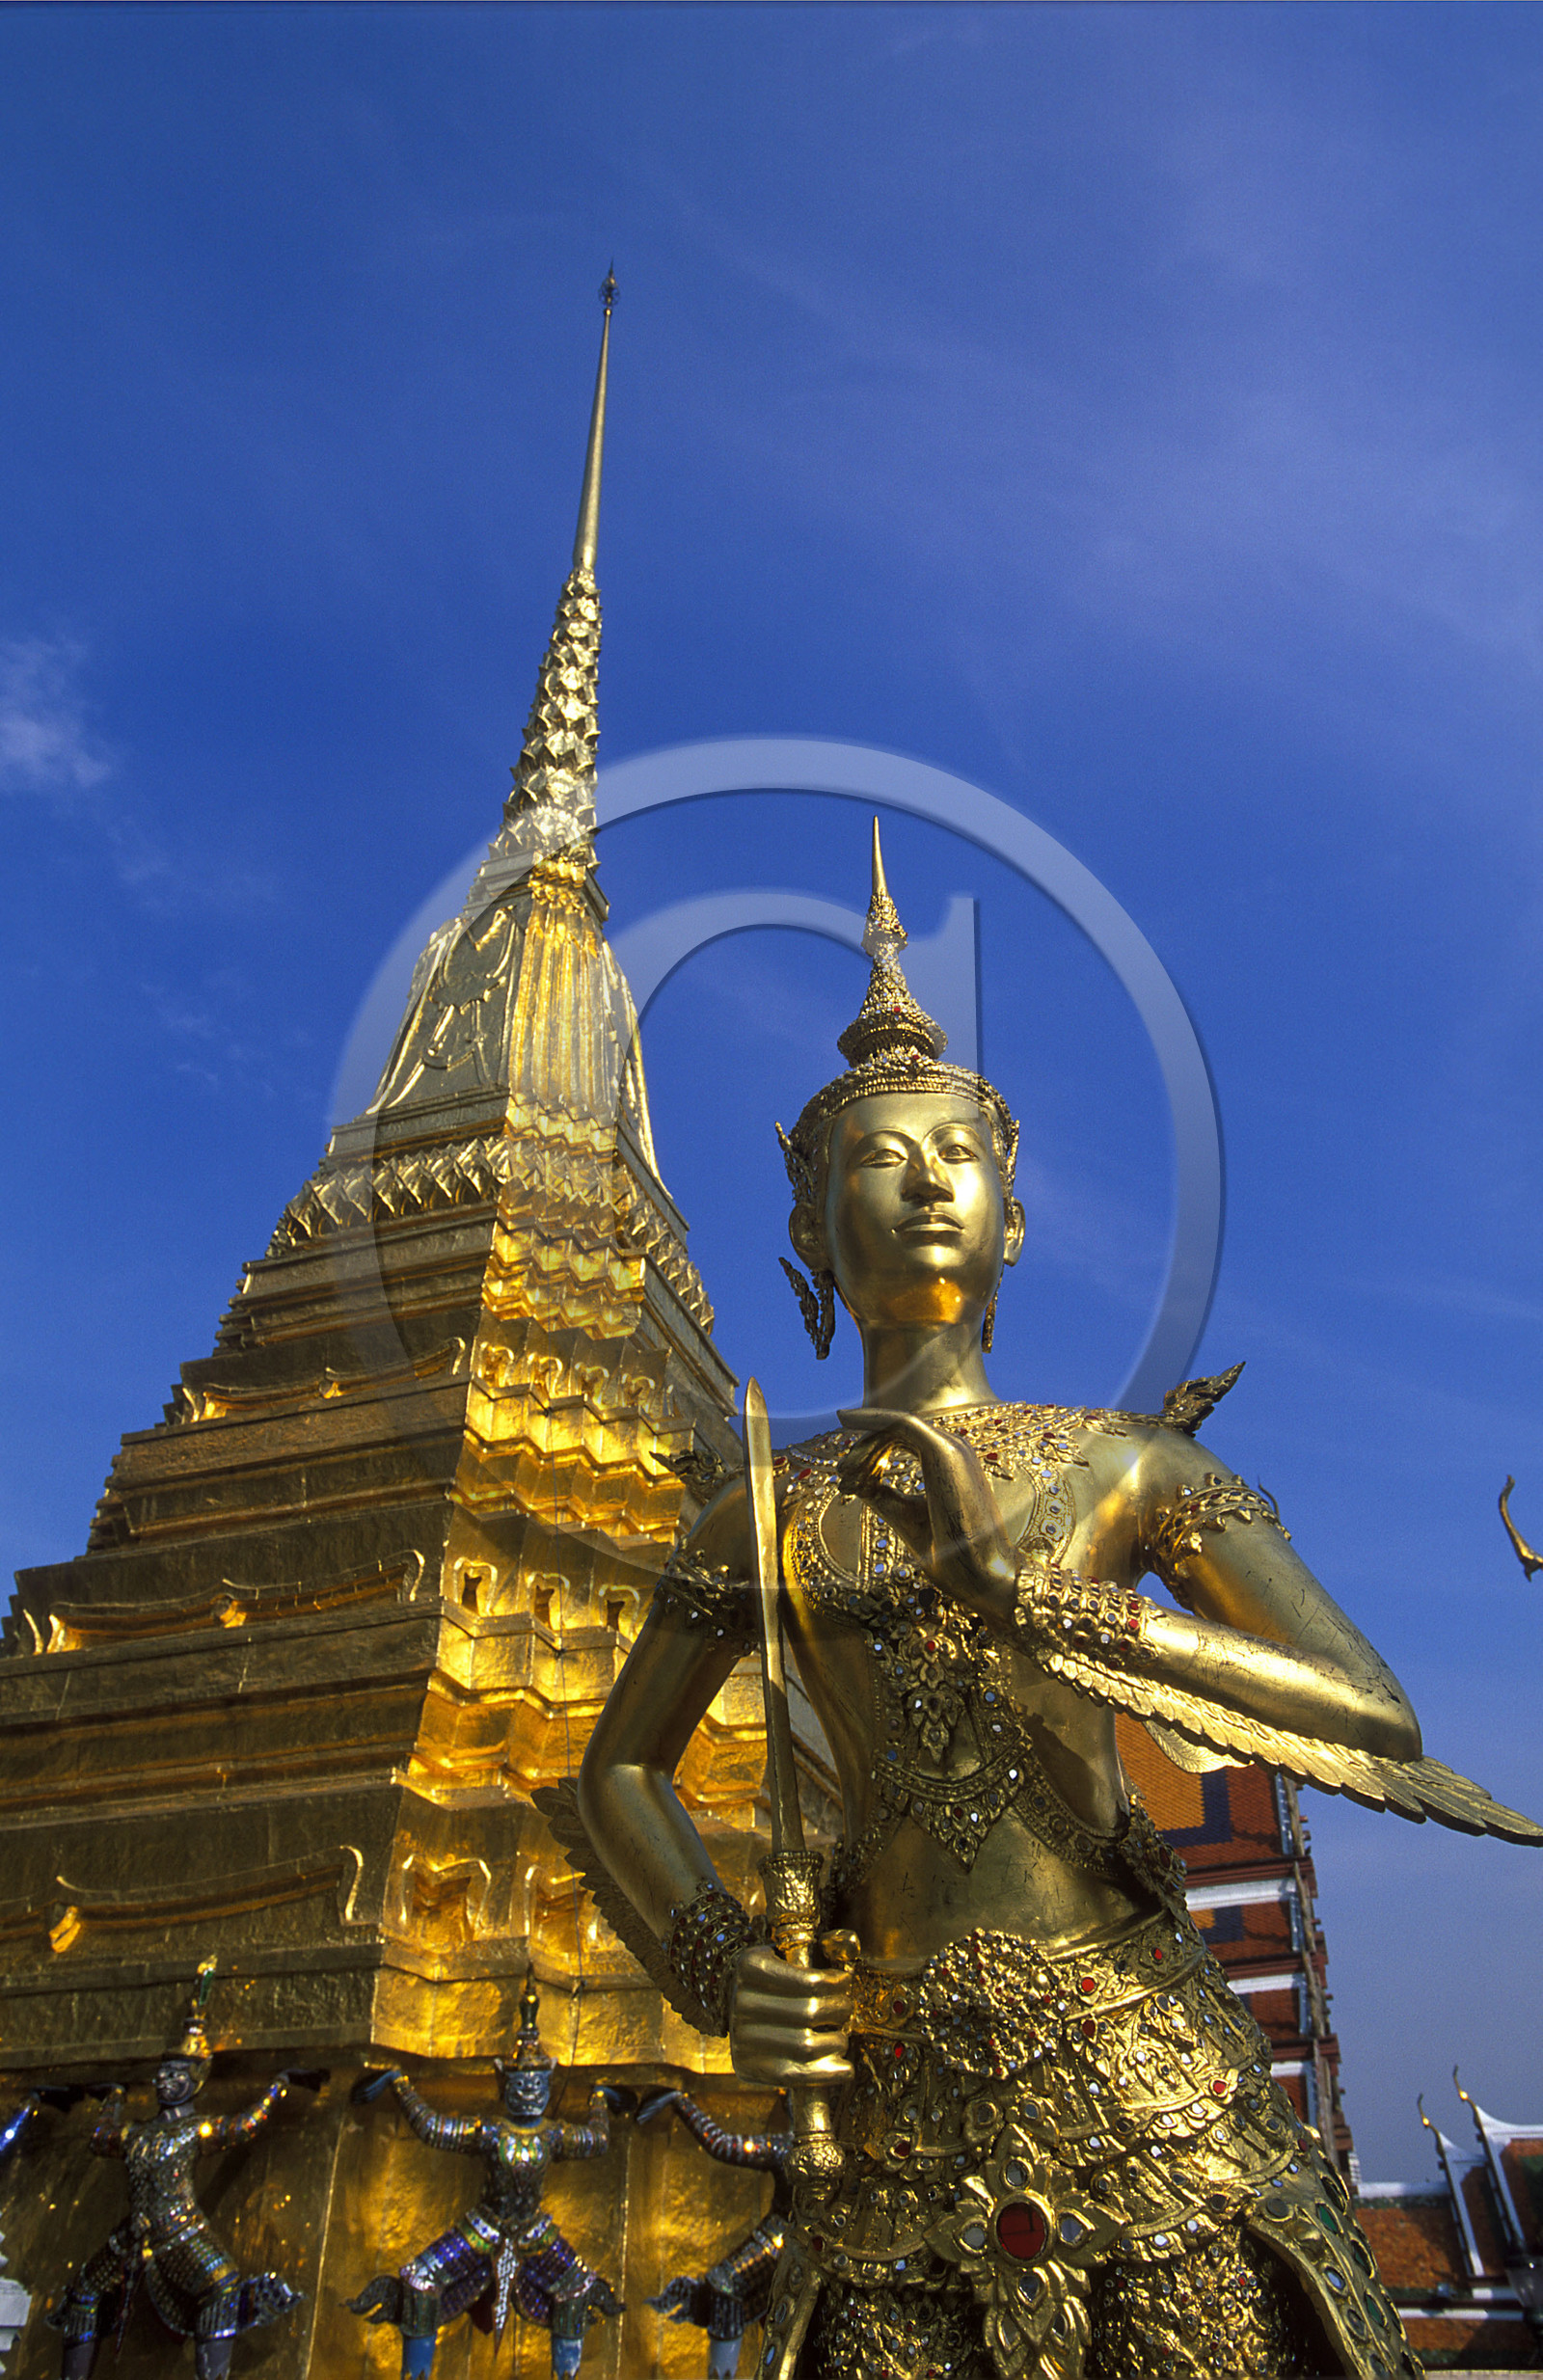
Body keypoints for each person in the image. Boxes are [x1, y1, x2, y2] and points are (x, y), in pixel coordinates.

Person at [572, 823, 1543, 2380]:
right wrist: (713, 1970)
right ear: (810, 1232)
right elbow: (613, 1766)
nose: (926, 1184)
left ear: (1015, 1216)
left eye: (959, 1157)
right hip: (882, 2082)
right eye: (873, 1164)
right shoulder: (763, 1499)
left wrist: (1077, 1614)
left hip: (1136, 2054)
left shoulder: (1118, 1462)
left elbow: (1372, 1707)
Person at [347, 1972, 625, 2378]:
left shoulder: (553, 2135)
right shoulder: (489, 2132)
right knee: (420, 2281)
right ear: (502, 2083)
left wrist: (599, 2098)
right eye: (520, 2086)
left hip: (534, 2231)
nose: (529, 2093)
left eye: (537, 2086)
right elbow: (433, 2129)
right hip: (483, 2227)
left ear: (548, 2085)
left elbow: (598, 2140)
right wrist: (400, 2084)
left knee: (578, 2289)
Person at [46, 1961, 311, 2380]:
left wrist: (277, 2087)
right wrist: (113, 2096)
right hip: (133, 2234)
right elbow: (100, 2136)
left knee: (223, 2288)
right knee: (83, 2293)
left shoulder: (194, 2130)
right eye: (162, 2073)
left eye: (175, 2074)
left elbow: (244, 2125)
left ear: (196, 2081)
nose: (164, 2080)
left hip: (181, 2232)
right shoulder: (137, 2134)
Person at [642, 2086, 793, 2377]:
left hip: (796, 2237)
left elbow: (720, 2144)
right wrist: (680, 2103)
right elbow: (721, 2145)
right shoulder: (786, 2147)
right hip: (784, 2234)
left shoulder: (793, 2147)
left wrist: (680, 2103)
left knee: (726, 2284)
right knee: (724, 2287)